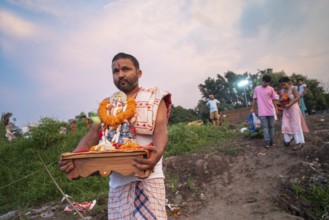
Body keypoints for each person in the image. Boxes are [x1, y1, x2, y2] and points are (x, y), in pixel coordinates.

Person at [59, 52, 171, 219]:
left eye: (126, 69)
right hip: (118, 184)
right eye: (115, 71)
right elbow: (91, 136)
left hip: (149, 178)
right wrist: (73, 158)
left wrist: (157, 153)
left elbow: (161, 130)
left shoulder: (155, 97)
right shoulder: (105, 105)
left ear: (139, 73)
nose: (120, 75)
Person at [279, 77, 309, 150]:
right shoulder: (282, 91)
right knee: (285, 124)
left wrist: (290, 104)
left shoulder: (293, 88)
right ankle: (288, 139)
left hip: (294, 109)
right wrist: (281, 101)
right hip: (286, 110)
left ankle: (299, 142)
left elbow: (298, 97)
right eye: (281, 85)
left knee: (295, 125)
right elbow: (280, 101)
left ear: (288, 82)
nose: (283, 86)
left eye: (284, 84)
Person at [250, 75, 278, 148]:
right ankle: (267, 142)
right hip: (262, 112)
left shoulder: (271, 89)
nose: (266, 84)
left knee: (271, 126)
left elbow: (274, 99)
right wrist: (252, 107)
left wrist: (276, 108)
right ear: (262, 81)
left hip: (271, 111)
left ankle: (272, 140)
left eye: (268, 83)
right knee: (265, 127)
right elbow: (254, 99)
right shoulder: (257, 89)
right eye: (265, 82)